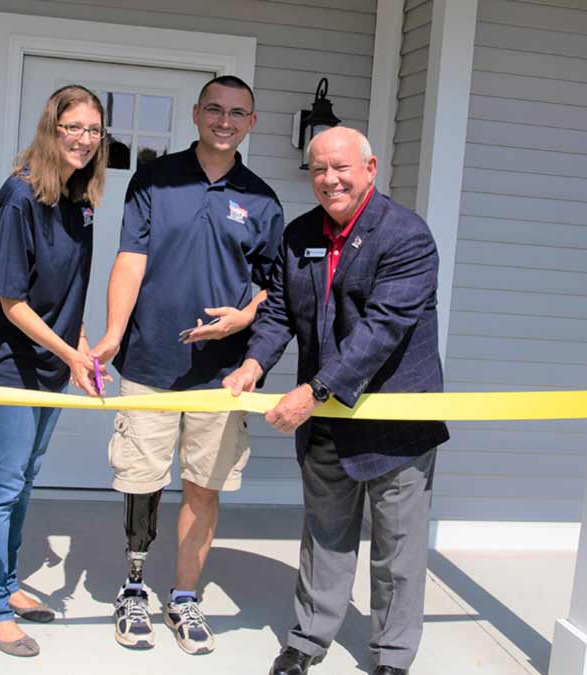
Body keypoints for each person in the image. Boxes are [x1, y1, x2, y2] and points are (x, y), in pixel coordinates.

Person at [223, 126, 450, 675]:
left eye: (341, 167)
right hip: (325, 420)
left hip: (394, 420)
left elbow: (382, 329)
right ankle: (307, 640)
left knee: (397, 550)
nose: (329, 179)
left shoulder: (407, 236)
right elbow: (279, 309)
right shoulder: (301, 233)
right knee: (324, 535)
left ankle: (392, 657)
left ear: (370, 169)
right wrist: (256, 362)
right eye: (319, 169)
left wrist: (314, 389)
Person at [91, 75, 284, 654]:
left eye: (238, 113)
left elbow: (275, 289)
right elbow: (131, 256)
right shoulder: (155, 177)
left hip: (221, 375)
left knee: (204, 487)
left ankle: (183, 598)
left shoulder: (264, 200)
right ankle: (133, 589)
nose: (225, 121)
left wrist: (242, 319)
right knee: (142, 481)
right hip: (149, 359)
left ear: (252, 122)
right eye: (215, 109)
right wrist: (112, 334)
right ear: (198, 114)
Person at [0, 85, 109, 657]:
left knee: (24, 480)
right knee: (2, 485)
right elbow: (13, 303)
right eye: (73, 127)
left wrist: (81, 349)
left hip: (50, 364)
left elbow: (66, 297)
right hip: (6, 364)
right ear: (52, 129)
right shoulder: (19, 196)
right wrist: (71, 354)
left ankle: (5, 585)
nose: (84, 140)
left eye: (94, 131)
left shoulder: (81, 204)